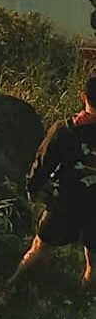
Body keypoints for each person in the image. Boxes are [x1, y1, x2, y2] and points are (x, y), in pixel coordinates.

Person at [10, 75, 96, 289]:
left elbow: (42, 164)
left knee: (41, 248)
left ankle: (13, 288)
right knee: (94, 259)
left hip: (66, 202)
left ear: (83, 96)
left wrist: (33, 189)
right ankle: (86, 295)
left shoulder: (65, 131)